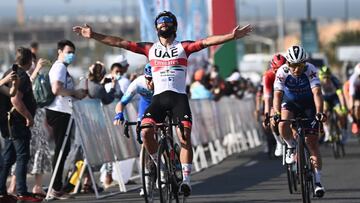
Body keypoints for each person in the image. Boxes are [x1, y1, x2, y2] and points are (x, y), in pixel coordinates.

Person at [73, 11, 253, 196]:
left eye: (167, 22)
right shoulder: (149, 49)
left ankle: (186, 181)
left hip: (178, 99)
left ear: (174, 27)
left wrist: (231, 36)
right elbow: (120, 42)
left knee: (184, 137)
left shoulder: (184, 47)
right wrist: (93, 35)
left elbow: (207, 41)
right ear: (156, 28)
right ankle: (159, 165)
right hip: (158, 99)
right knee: (145, 131)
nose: (164, 24)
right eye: (160, 23)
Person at [272, 45, 326, 198]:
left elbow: (317, 92)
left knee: (312, 143)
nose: (296, 69)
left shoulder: (310, 69)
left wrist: (320, 112)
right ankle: (290, 146)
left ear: (305, 64)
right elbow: (277, 95)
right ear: (288, 64)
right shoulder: (282, 71)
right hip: (290, 103)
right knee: (283, 123)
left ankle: (317, 181)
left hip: (308, 104)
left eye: (300, 65)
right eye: (293, 65)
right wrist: (276, 113)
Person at [45, 40, 87, 200]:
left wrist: (76, 93)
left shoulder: (62, 68)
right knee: (61, 150)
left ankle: (57, 186)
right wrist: (74, 92)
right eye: (68, 52)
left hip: (62, 112)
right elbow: (57, 89)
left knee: (63, 149)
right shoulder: (60, 67)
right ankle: (55, 187)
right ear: (59, 52)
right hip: (58, 112)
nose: (71, 55)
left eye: (73, 52)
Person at [0, 47, 43, 202]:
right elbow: (15, 99)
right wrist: (28, 117)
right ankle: (22, 192)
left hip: (8, 124)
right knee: (22, 157)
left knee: (8, 158)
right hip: (17, 123)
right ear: (30, 61)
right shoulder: (22, 75)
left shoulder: (8, 72)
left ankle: (2, 192)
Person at [113, 64, 154, 195]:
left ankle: (170, 153)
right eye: (148, 78)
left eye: (153, 79)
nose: (150, 82)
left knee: (164, 128)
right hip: (146, 106)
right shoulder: (138, 83)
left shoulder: (163, 82)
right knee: (145, 137)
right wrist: (119, 114)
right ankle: (147, 183)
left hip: (161, 104)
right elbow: (121, 103)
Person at [262, 54, 287, 157]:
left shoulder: (289, 72)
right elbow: (267, 98)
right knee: (273, 119)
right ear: (272, 68)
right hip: (275, 98)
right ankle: (279, 142)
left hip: (287, 97)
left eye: (281, 68)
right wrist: (266, 115)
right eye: (276, 70)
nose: (279, 72)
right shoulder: (268, 76)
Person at [318, 66, 348, 143]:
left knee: (340, 113)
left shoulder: (334, 80)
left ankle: (343, 132)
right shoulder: (318, 82)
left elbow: (341, 95)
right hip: (325, 98)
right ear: (321, 77)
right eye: (324, 77)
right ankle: (327, 133)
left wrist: (343, 107)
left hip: (334, 97)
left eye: (328, 77)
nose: (326, 79)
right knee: (324, 112)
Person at [348, 63, 360, 135]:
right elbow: (351, 94)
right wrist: (351, 107)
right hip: (354, 92)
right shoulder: (353, 78)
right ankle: (355, 122)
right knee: (354, 106)